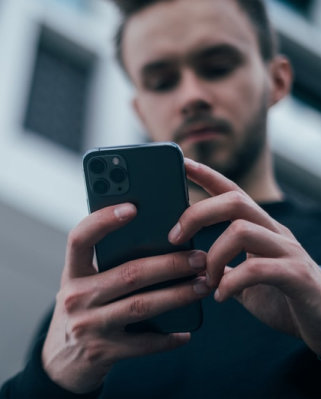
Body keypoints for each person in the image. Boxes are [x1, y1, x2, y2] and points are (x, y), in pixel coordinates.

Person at [1, 0, 321, 397]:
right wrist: (49, 378)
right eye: (162, 81)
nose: (191, 96)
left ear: (276, 81)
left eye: (218, 67)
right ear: (140, 111)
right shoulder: (91, 299)